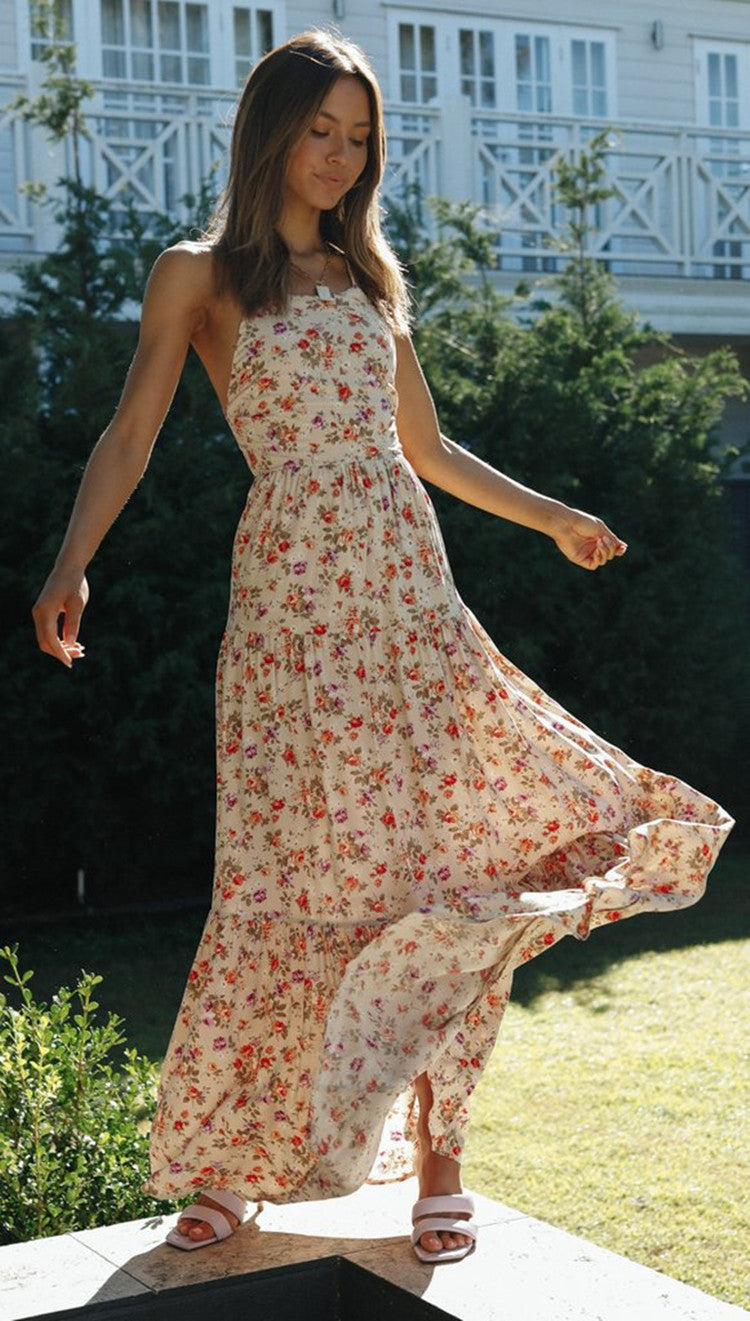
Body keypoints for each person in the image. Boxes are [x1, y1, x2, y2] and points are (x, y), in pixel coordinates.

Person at [32, 29, 733, 1265]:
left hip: (410, 611)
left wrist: (553, 517)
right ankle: (235, 1165)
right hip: (289, 621)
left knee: (443, 868)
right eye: (321, 131)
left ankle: (442, 1155)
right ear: (270, 130)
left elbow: (429, 449)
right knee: (280, 877)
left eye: (359, 138)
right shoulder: (198, 275)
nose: (341, 156)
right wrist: (71, 560)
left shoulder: (370, 280)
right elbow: (132, 431)